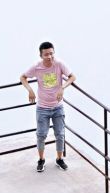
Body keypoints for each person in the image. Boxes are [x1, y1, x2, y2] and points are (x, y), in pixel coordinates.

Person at [20, 42, 73, 173]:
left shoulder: (59, 64)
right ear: (41, 55)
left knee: (60, 134)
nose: (49, 56)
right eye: (46, 54)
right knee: (41, 135)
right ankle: (41, 159)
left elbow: (72, 77)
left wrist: (62, 87)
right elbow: (23, 77)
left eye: (51, 53)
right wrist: (30, 90)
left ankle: (59, 159)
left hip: (57, 107)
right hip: (42, 107)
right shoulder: (37, 67)